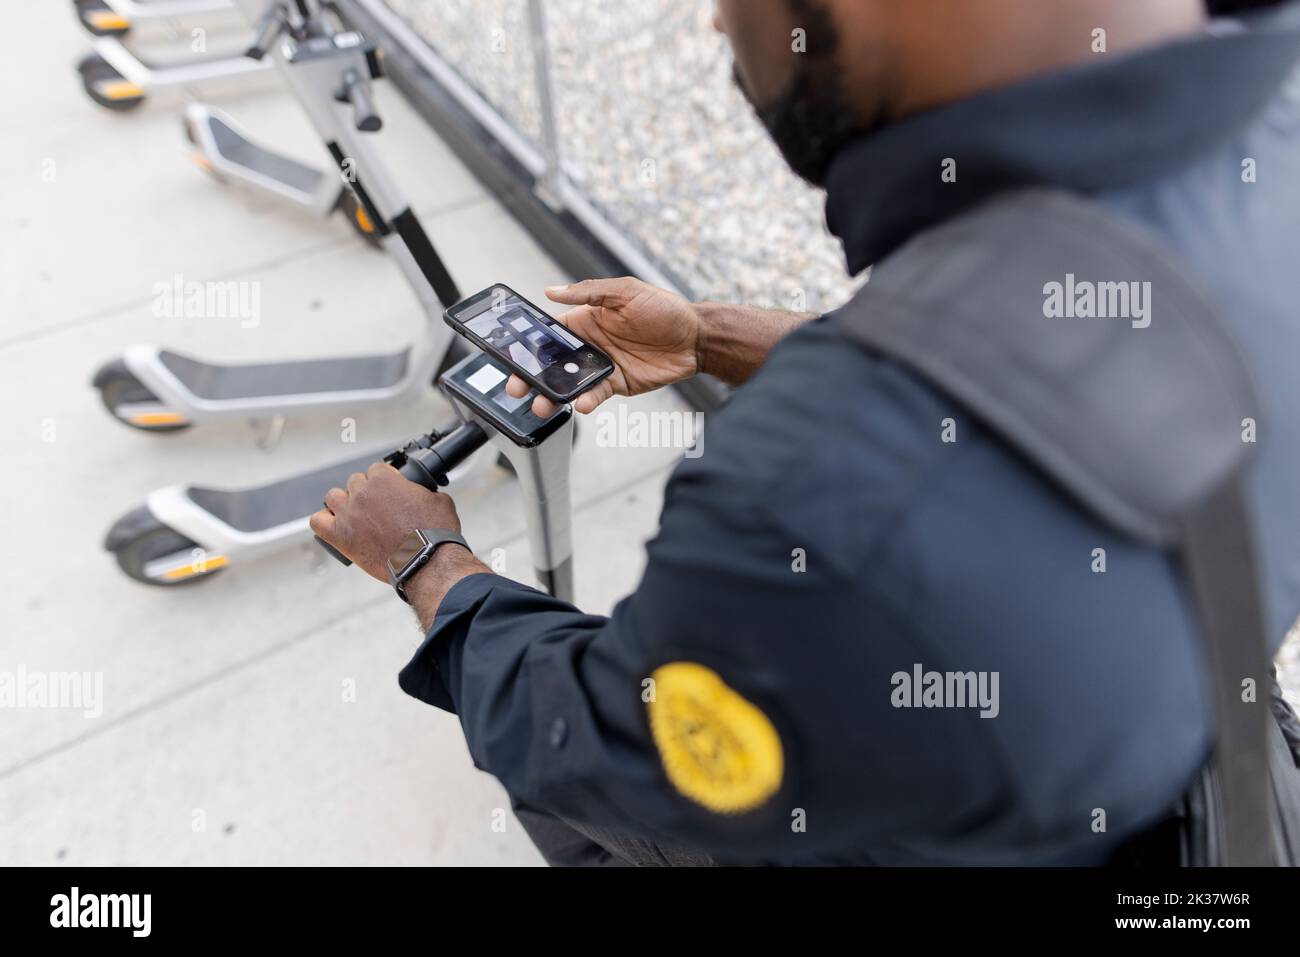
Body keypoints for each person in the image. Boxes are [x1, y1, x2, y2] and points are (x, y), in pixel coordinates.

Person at [310, 0, 1300, 865]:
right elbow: (1031, 365)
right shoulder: (1268, 139)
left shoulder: (815, 501)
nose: (716, 22)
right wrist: (703, 335)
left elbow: (605, 743)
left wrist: (431, 567)